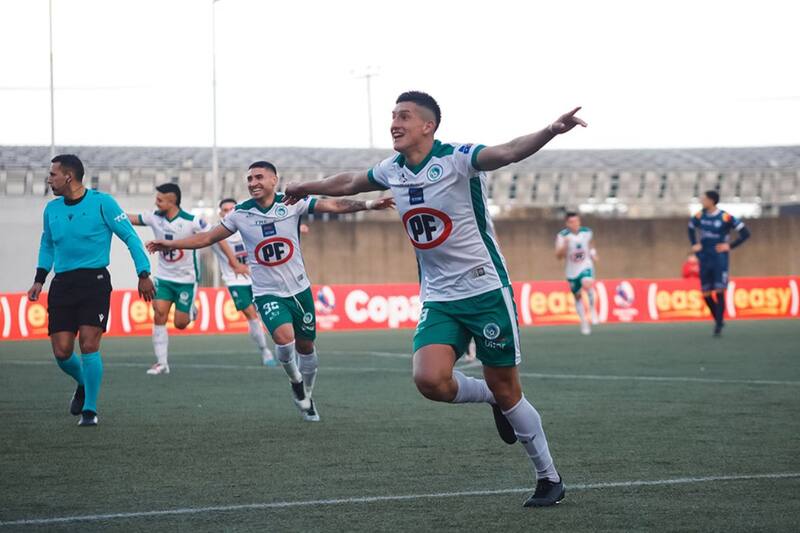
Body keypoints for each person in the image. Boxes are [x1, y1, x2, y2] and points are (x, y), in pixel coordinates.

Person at [284, 91, 587, 507]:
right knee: (429, 380)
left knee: (508, 387)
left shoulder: (458, 158)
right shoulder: (393, 169)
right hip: (439, 295)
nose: (395, 123)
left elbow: (508, 152)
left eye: (404, 116)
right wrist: (304, 186)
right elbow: (351, 182)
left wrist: (551, 130)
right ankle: (490, 397)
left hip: (485, 290)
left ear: (428, 126)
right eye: (393, 116)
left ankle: (548, 478)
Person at [147, 161, 394, 422]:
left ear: (274, 180)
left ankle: (308, 394)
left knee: (306, 347)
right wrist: (171, 244)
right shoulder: (240, 213)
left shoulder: (292, 203)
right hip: (267, 292)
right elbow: (207, 238)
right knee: (284, 341)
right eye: (249, 178)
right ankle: (295, 381)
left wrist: (369, 204)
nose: (253, 183)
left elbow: (333, 205)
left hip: (299, 289)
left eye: (259, 177)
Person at [28, 154, 155, 427]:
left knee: (88, 344)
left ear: (68, 176)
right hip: (62, 284)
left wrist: (143, 273)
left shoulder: (103, 203)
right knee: (62, 352)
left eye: (52, 174)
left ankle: (90, 410)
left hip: (94, 282)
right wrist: (39, 278)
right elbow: (47, 244)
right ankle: (84, 383)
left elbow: (130, 236)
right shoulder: (51, 210)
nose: (49, 179)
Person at [128, 184, 209, 375]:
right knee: (159, 314)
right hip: (164, 278)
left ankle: (190, 309)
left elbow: (213, 234)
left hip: (186, 280)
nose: (156, 203)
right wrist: (107, 213)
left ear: (172, 201)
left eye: (160, 200)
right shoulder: (154, 217)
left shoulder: (192, 221)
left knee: (180, 323)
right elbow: (129, 219)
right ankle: (161, 363)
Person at [212, 198, 276, 366]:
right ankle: (265, 351)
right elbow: (216, 239)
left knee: (266, 314)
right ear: (220, 213)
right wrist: (235, 263)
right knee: (251, 315)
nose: (228, 212)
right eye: (225, 210)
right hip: (234, 280)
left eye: (231, 209)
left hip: (257, 277)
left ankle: (278, 344)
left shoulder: (247, 226)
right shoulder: (217, 232)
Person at [688, 190, 750, 336]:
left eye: (704, 199)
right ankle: (719, 319)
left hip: (719, 259)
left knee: (719, 290)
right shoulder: (700, 216)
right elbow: (690, 228)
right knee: (706, 293)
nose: (702, 201)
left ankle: (718, 324)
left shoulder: (725, 217)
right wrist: (694, 244)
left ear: (711, 201)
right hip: (704, 258)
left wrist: (730, 246)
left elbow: (745, 233)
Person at [555, 212, 599, 335]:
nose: (575, 224)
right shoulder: (562, 236)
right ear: (567, 223)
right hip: (572, 271)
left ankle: (592, 310)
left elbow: (591, 243)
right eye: (572, 222)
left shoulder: (587, 232)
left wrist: (593, 253)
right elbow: (558, 256)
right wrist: (565, 245)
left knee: (587, 283)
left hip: (586, 265)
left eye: (577, 221)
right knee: (578, 296)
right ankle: (584, 321)